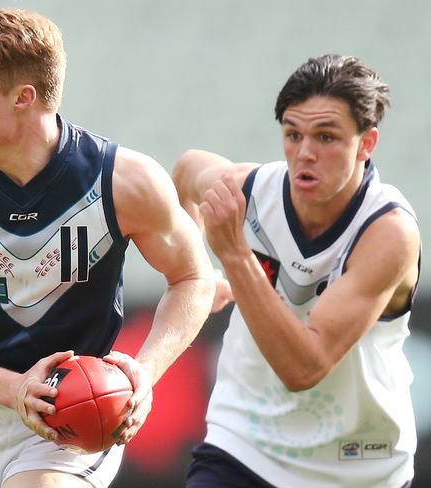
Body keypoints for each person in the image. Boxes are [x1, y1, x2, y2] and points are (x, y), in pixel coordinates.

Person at [0, 7, 226, 488]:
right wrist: (14, 389)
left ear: (22, 98)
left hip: (74, 419)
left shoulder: (124, 182)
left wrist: (144, 375)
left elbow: (192, 278)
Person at [173, 54, 420, 488]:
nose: (305, 153)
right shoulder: (249, 189)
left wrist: (232, 256)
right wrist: (198, 272)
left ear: (367, 144)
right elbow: (187, 169)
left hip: (357, 466)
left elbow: (304, 369)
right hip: (243, 445)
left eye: (326, 136)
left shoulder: (388, 233)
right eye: (293, 134)